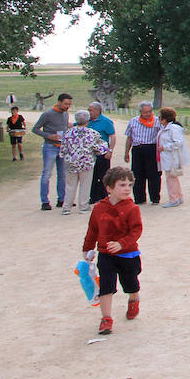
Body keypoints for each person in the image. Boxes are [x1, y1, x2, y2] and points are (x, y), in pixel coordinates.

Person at [81, 166, 142, 335]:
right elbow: (92, 229)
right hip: (106, 255)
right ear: (109, 188)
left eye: (129, 185)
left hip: (128, 255)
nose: (127, 188)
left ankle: (134, 298)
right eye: (122, 185)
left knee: (130, 284)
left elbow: (136, 231)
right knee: (106, 286)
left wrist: (122, 244)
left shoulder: (132, 209)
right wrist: (87, 249)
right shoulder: (99, 208)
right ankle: (106, 318)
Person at [61, 111, 109, 214]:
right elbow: (100, 148)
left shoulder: (68, 133)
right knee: (85, 185)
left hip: (71, 162)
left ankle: (66, 207)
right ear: (88, 121)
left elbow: (63, 149)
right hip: (86, 162)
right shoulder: (91, 133)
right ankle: (83, 206)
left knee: (70, 185)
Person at [33, 92, 72, 209]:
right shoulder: (48, 114)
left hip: (62, 147)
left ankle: (61, 199)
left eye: (69, 104)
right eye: (65, 104)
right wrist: (48, 136)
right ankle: (45, 201)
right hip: (50, 147)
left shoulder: (66, 114)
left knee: (62, 174)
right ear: (59, 102)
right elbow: (35, 129)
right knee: (47, 174)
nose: (67, 106)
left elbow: (63, 127)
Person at [123, 101, 163, 205]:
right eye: (146, 112)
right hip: (138, 149)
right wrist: (126, 152)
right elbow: (129, 138)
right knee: (137, 174)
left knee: (154, 174)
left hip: (151, 148)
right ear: (140, 112)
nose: (148, 114)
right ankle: (139, 198)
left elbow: (163, 136)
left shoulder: (157, 121)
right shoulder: (133, 121)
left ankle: (155, 198)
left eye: (150, 111)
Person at [157, 107, 189, 207]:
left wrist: (164, 147)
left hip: (171, 157)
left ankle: (174, 199)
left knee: (171, 179)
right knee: (173, 178)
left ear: (165, 119)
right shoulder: (166, 128)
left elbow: (177, 142)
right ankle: (178, 197)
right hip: (168, 157)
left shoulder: (173, 129)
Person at [85, 102, 117, 203]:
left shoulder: (106, 121)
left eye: (91, 110)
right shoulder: (87, 121)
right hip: (89, 153)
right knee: (92, 175)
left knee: (103, 175)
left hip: (102, 152)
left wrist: (110, 151)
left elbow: (112, 136)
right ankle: (93, 196)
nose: (89, 112)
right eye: (88, 110)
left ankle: (104, 196)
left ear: (98, 110)